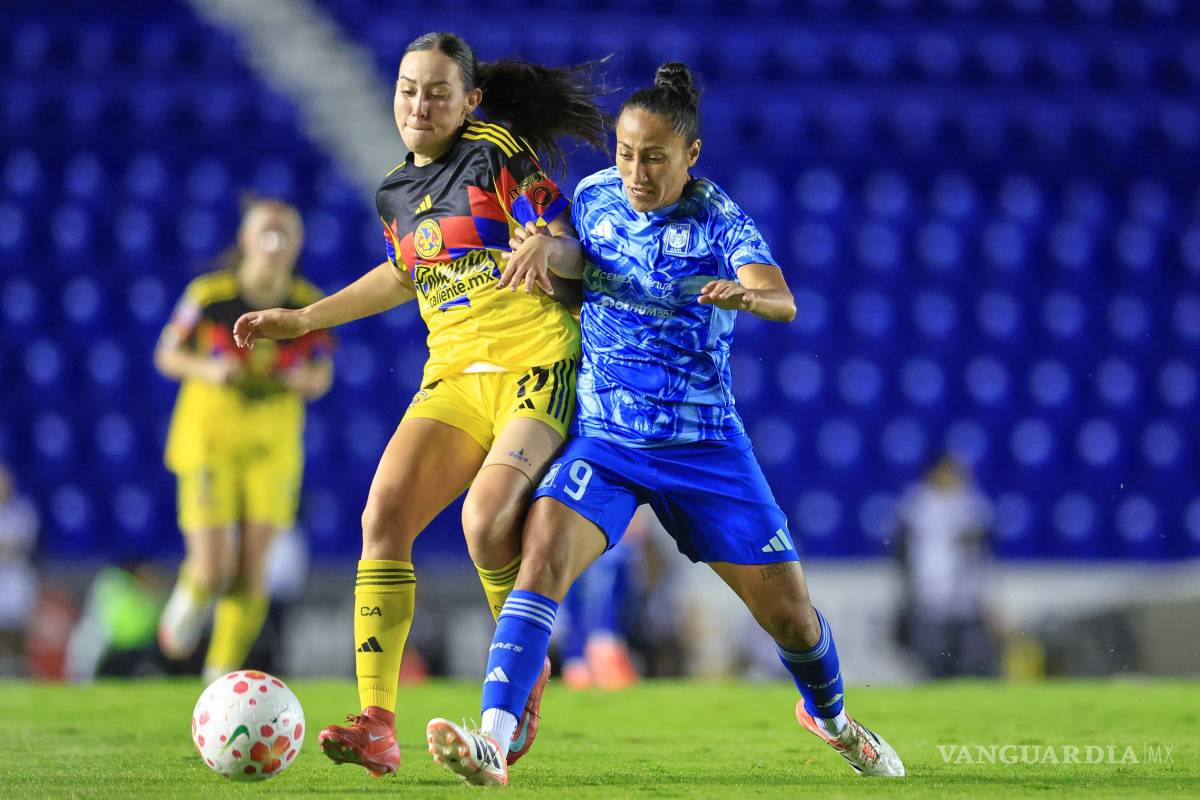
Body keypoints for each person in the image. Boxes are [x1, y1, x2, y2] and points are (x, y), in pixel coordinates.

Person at [426, 62, 905, 785]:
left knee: (793, 620)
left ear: (691, 155)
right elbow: (573, 255)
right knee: (543, 558)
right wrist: (546, 251)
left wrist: (746, 297)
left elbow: (782, 301)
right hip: (608, 442)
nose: (636, 171)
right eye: (624, 152)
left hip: (704, 450)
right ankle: (492, 740)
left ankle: (832, 717)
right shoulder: (592, 198)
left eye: (653, 156)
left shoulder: (719, 219)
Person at [230, 32, 606, 777]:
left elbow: (568, 246)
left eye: (437, 90)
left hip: (536, 365)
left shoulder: (496, 153)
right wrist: (305, 319)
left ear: (469, 101)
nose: (419, 103)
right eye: (408, 88)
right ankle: (376, 721)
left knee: (484, 519)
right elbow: (404, 275)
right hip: (455, 378)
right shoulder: (395, 192)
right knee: (383, 516)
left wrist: (547, 249)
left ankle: (519, 685)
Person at [155, 197, 335, 685]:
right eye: (265, 229)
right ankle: (190, 598)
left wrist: (305, 381)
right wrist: (208, 368)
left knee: (252, 572)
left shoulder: (306, 303)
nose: (275, 239)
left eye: (286, 231)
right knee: (213, 568)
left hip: (272, 447)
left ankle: (219, 674)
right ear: (245, 239)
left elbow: (322, 373)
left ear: (297, 243)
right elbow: (167, 354)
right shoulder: (210, 295)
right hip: (209, 438)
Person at [894, 453, 996, 678]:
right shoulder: (918, 505)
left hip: (966, 597)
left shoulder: (972, 505)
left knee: (971, 662)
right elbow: (902, 552)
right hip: (929, 595)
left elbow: (983, 553)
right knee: (932, 660)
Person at [0, 461, 38, 676]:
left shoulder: (21, 511)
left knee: (18, 636)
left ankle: (20, 676)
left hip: (15, 580)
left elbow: (19, 542)